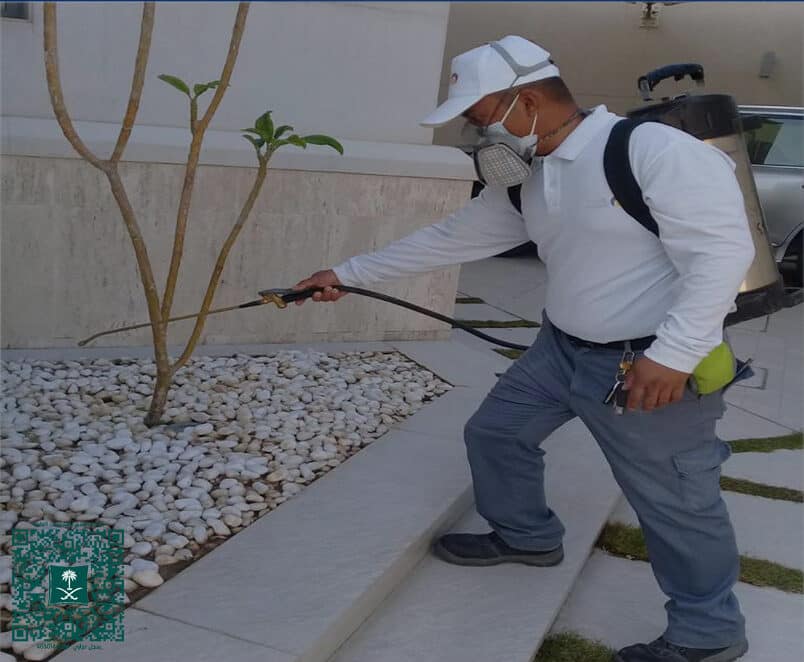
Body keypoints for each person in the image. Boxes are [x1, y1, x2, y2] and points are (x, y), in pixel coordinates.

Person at [292, 35, 754, 662]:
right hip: (559, 350)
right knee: (496, 433)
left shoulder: (652, 151)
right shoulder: (530, 174)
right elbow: (452, 237)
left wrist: (673, 356)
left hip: (645, 363)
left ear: (528, 102)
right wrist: (347, 273)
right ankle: (527, 536)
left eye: (480, 118)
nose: (477, 135)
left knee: (677, 501)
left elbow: (721, 256)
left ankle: (709, 635)